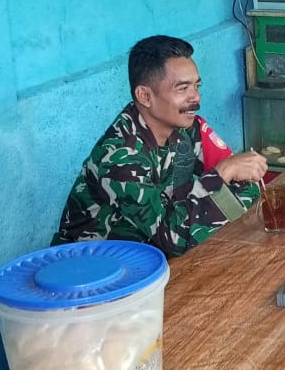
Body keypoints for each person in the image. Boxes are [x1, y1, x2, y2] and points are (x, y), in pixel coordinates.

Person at [51, 35, 267, 256]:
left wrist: (217, 192)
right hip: (90, 272)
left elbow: (247, 183)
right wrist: (222, 175)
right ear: (145, 95)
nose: (196, 98)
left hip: (147, 261)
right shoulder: (120, 157)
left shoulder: (186, 129)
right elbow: (173, 240)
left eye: (196, 86)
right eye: (182, 89)